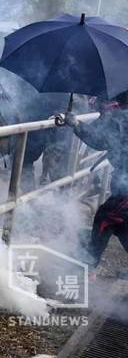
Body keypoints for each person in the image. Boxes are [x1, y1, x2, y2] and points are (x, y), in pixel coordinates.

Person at [60, 94, 128, 271]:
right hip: (123, 182)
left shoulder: (121, 115)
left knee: (107, 217)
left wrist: (76, 123)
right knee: (120, 223)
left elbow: (100, 140)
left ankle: (87, 264)